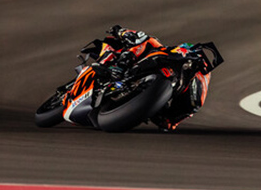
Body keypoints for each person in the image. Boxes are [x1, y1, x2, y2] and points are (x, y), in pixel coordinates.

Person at [60, 25, 205, 131]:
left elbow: (192, 106)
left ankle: (126, 100)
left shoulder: (194, 82)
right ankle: (112, 70)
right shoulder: (156, 46)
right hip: (127, 65)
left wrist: (173, 120)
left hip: (153, 94)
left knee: (170, 121)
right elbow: (137, 36)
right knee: (137, 45)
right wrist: (121, 31)